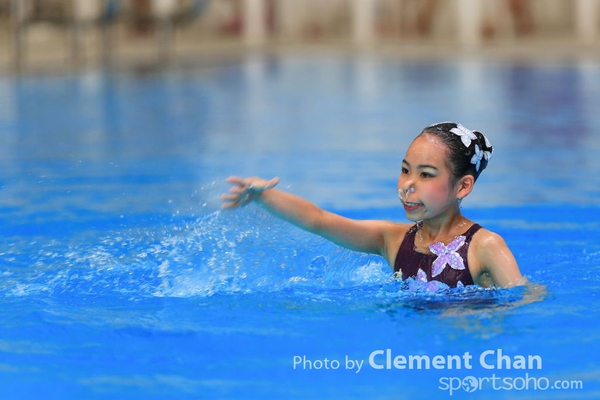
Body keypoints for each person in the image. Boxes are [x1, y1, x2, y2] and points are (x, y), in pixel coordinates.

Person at [221, 122, 525, 289]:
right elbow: (319, 220)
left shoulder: (484, 246)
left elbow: (525, 301)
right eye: (405, 170)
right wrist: (263, 196)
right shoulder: (392, 239)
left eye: (426, 175)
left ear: (463, 186)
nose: (408, 184)